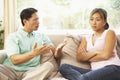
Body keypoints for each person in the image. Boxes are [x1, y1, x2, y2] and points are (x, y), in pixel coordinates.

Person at [0, 8, 66, 80]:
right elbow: (14, 60)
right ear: (25, 21)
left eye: (38, 19)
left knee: (49, 66)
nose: (38, 22)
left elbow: (56, 55)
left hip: (31, 72)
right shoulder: (13, 37)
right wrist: (34, 53)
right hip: (11, 70)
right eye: (35, 20)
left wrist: (59, 50)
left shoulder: (42, 36)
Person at [59, 8, 120, 80]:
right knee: (64, 67)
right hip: (94, 71)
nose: (94, 23)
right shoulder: (86, 38)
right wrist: (96, 52)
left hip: (112, 68)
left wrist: (87, 57)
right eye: (91, 19)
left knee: (84, 78)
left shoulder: (109, 33)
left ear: (104, 21)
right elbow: (79, 57)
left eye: (97, 20)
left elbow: (106, 55)